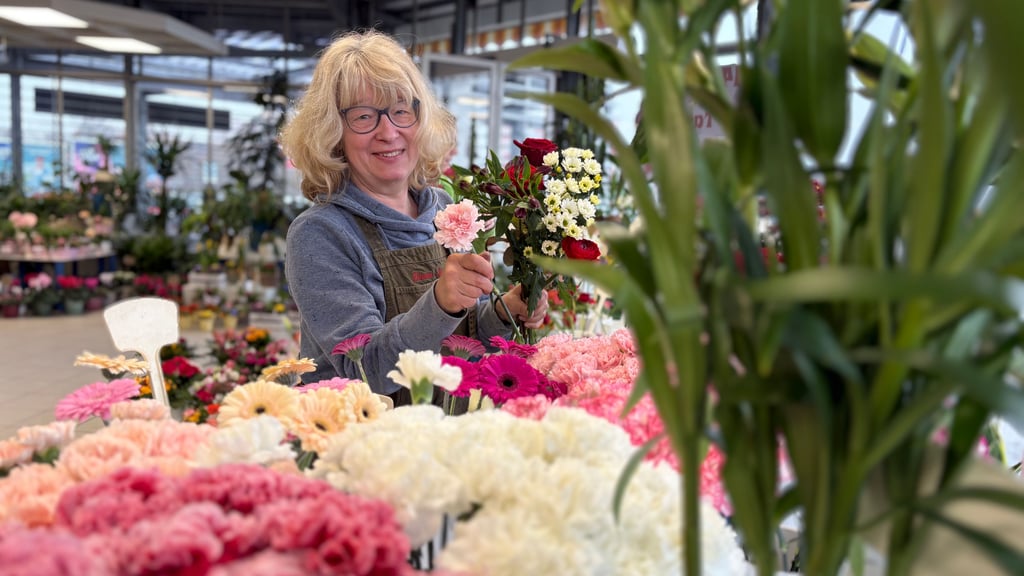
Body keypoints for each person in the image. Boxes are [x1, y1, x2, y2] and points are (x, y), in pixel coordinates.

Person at [281, 30, 547, 404]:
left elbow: (460, 344)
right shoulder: (320, 233)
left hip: (441, 432)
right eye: (363, 117)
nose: (388, 132)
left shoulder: (443, 209)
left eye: (402, 111)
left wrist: (506, 313)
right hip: (358, 439)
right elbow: (367, 369)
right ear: (333, 132)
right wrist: (440, 301)